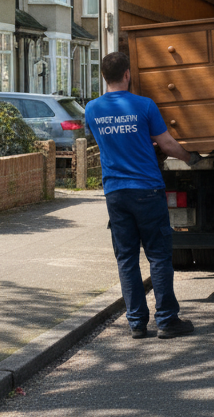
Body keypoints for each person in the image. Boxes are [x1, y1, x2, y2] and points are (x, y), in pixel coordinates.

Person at [85, 51, 201, 339]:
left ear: (104, 76)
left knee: (126, 258)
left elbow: (109, 139)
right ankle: (167, 320)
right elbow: (167, 143)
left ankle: (136, 323)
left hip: (115, 192)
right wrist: (190, 157)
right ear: (127, 74)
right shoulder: (144, 105)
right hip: (147, 190)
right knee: (159, 256)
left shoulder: (92, 109)